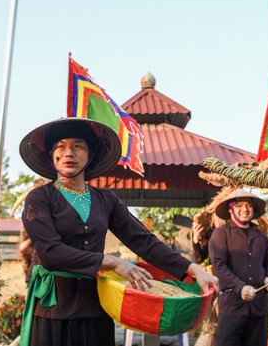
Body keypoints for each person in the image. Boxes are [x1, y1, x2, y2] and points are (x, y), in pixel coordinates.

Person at [19, 117, 219, 346]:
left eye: (77, 146)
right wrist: (112, 262)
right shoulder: (40, 197)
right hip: (54, 308)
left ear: (90, 155)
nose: (68, 153)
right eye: (60, 146)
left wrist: (193, 269)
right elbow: (50, 252)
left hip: (96, 305)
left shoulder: (106, 199)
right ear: (51, 155)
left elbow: (144, 241)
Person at [208, 189, 268, 346]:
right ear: (231, 208)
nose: (245, 209)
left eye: (249, 205)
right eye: (239, 205)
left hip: (259, 309)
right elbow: (219, 267)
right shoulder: (221, 234)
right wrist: (241, 287)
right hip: (232, 308)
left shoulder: (261, 236)